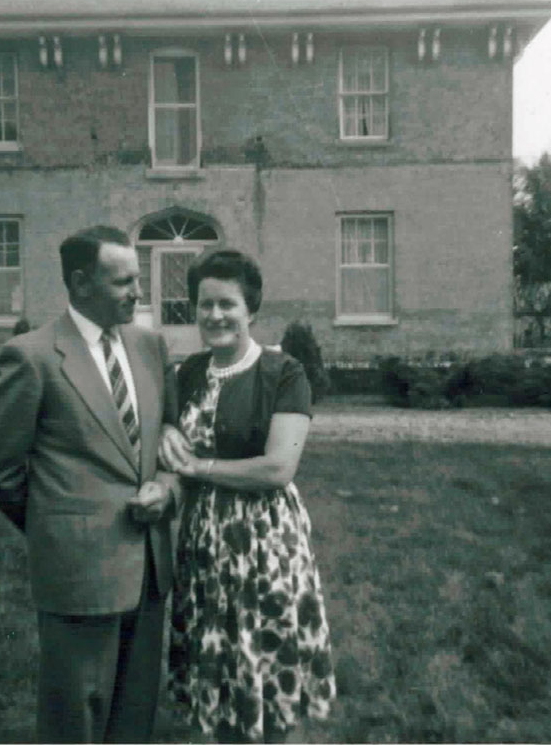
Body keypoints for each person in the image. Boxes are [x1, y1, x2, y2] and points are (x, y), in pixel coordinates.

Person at [0, 225, 189, 744]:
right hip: (77, 572)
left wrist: (167, 488)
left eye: (138, 279)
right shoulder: (33, 357)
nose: (139, 292)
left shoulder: (151, 346)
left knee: (134, 718)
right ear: (81, 283)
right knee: (77, 719)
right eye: (123, 282)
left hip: (150, 570)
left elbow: (171, 444)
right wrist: (59, 524)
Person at [159, 249, 336, 744]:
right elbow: (165, 437)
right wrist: (162, 437)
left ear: (250, 310)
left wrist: (200, 468)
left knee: (264, 666)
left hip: (263, 546)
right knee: (217, 669)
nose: (214, 315)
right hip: (204, 546)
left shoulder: (284, 373)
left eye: (227, 304)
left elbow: (279, 467)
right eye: (204, 304)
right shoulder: (186, 374)